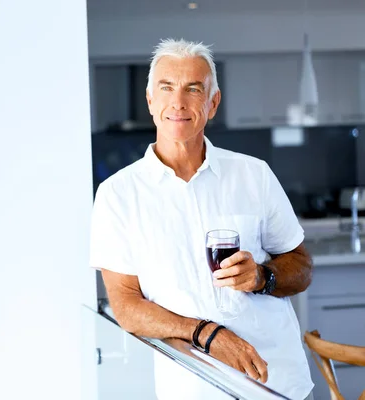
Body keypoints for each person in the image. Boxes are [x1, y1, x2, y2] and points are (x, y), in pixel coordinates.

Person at [89, 38, 314, 400]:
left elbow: (301, 267)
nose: (178, 102)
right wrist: (207, 334)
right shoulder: (117, 194)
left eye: (193, 89)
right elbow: (127, 306)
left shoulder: (254, 175)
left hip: (278, 383)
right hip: (192, 386)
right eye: (166, 88)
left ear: (213, 102)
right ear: (150, 101)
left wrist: (262, 276)